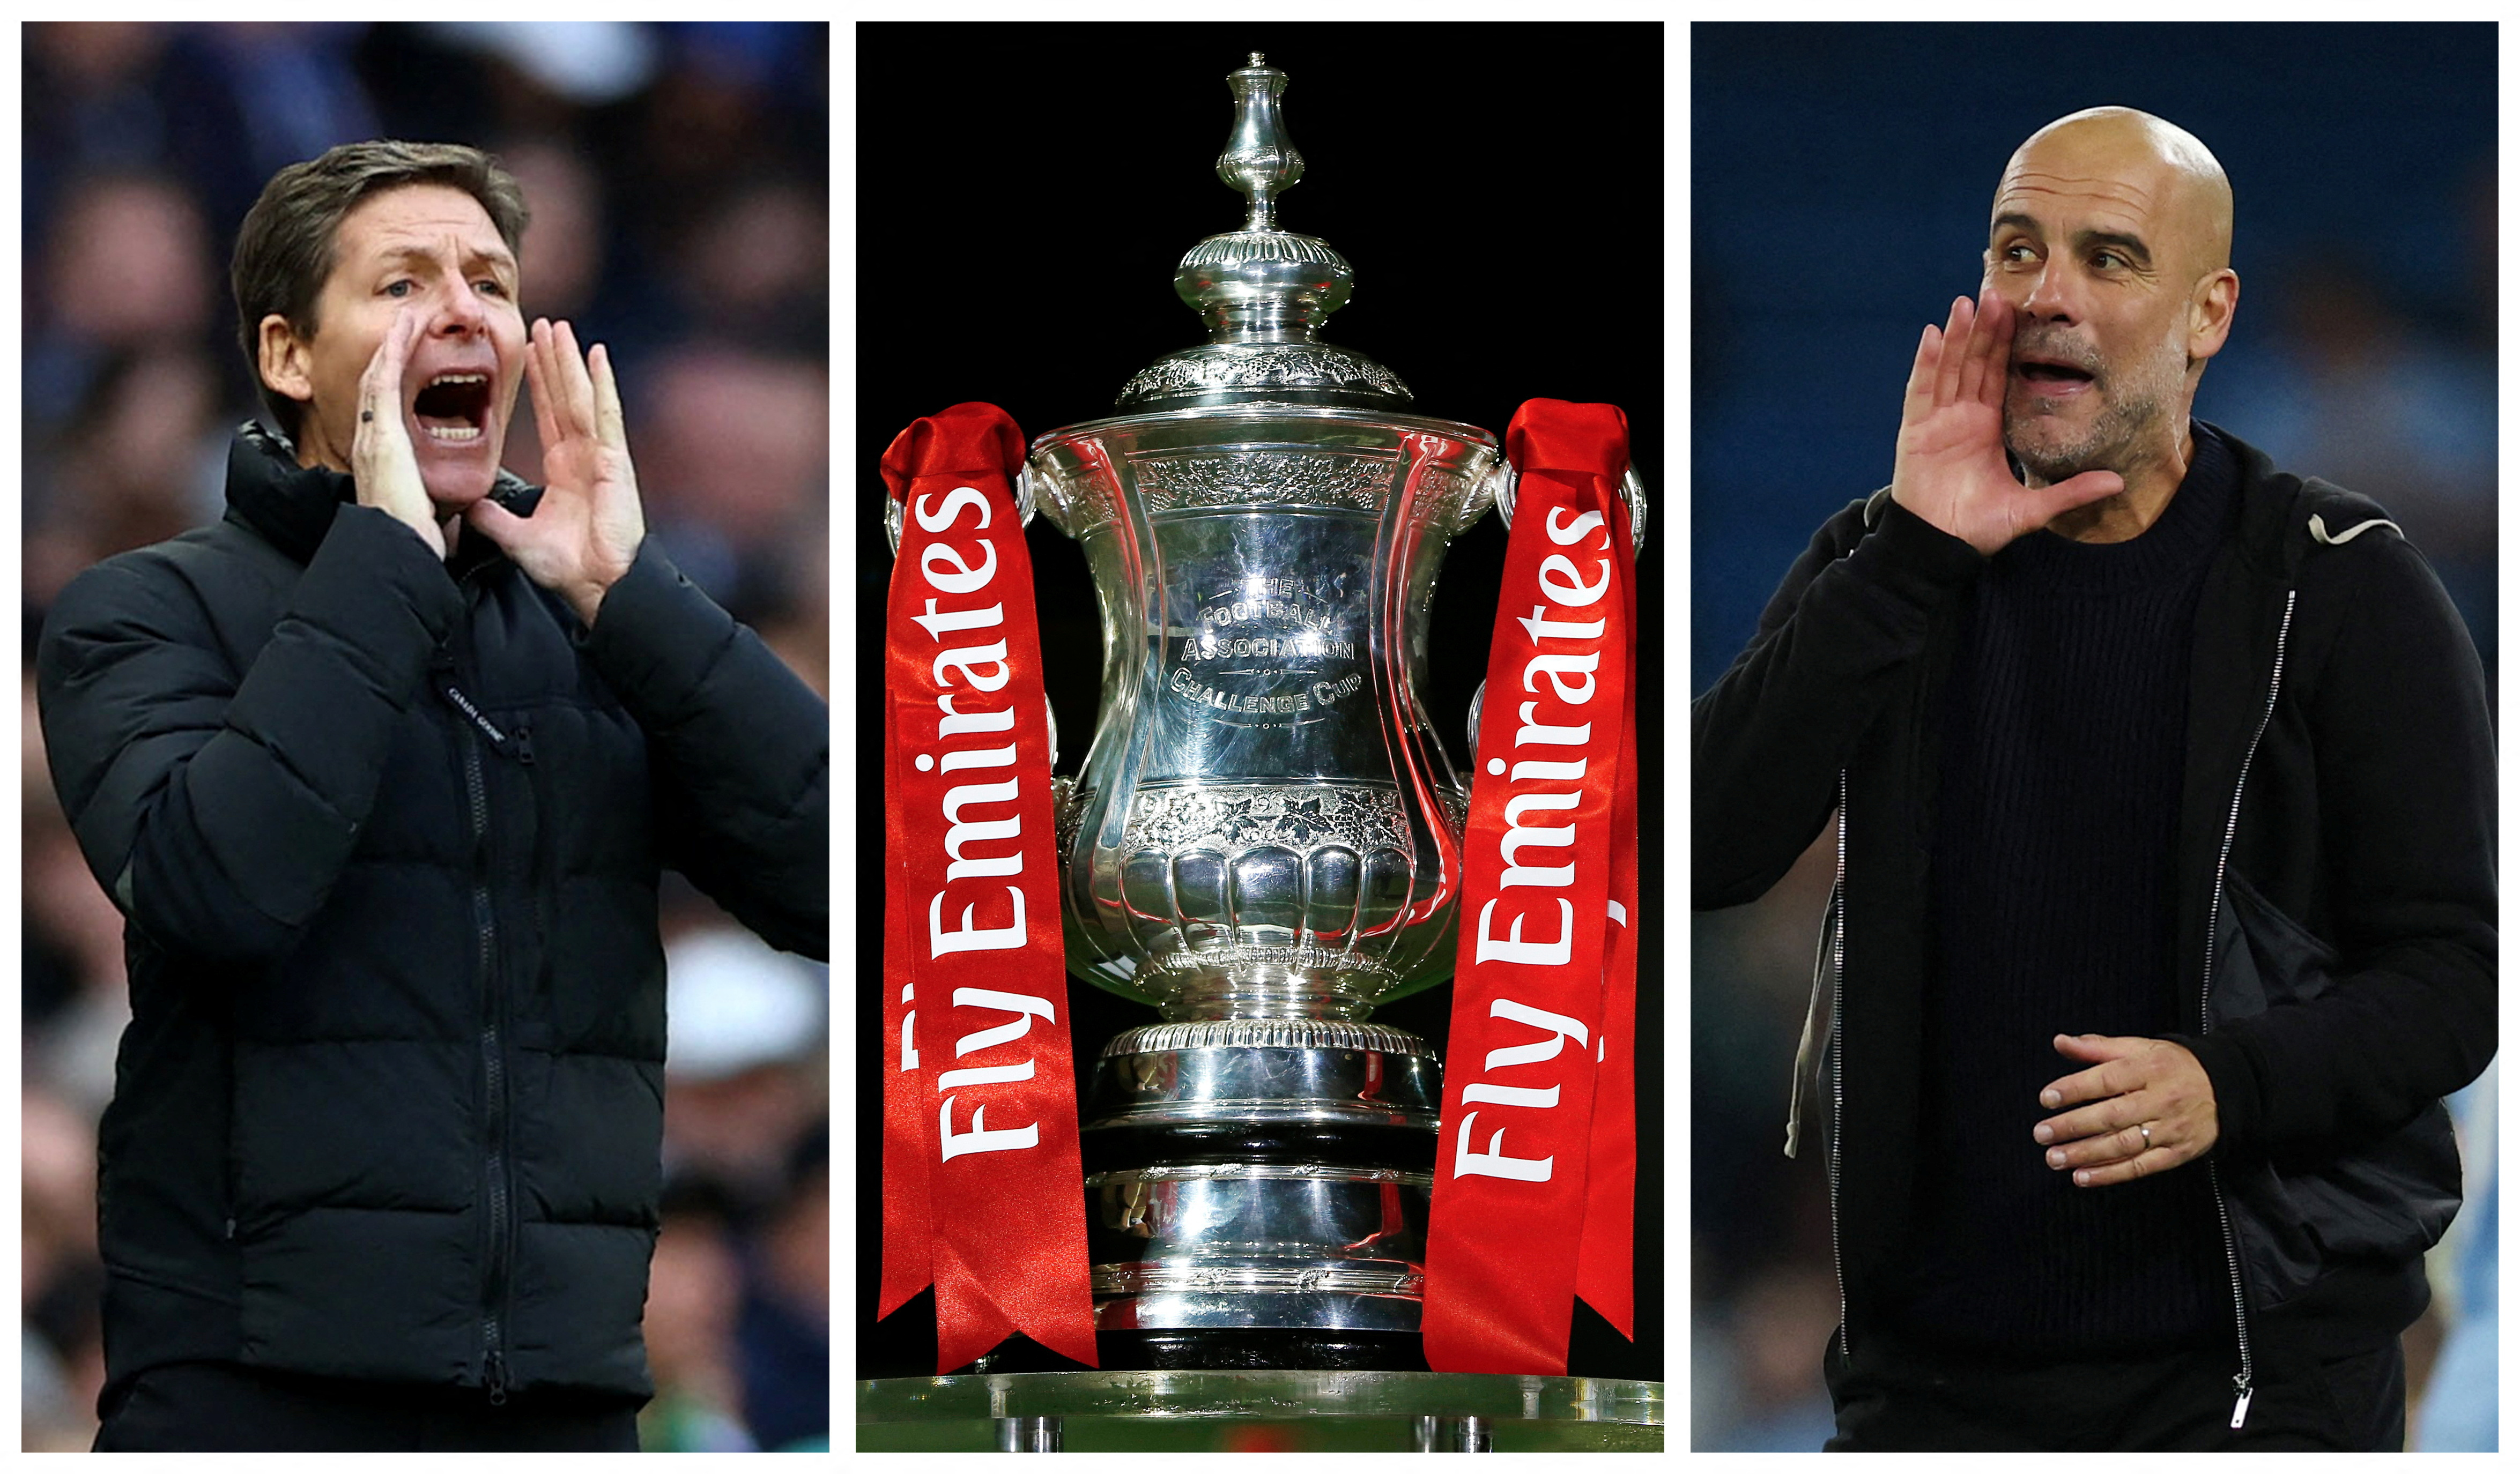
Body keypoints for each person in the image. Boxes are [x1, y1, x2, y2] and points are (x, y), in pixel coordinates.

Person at [1692, 108, 2494, 1450]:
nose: (2047, 294)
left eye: (2109, 257)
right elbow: (1706, 845)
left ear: (2207, 314)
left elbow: (2449, 981)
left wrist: (2229, 1081)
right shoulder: (1885, 567)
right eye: (2017, 251)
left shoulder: (2345, 588)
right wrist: (1908, 556)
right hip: (1922, 1391)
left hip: (2253, 1389)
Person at [35, 139, 829, 1452]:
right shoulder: (145, 610)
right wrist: (387, 560)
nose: (463, 310)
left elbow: (840, 883)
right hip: (253, 1390)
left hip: (566, 1395)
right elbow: (216, 888)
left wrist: (634, 599)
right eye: (401, 283)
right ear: (291, 358)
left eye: (489, 281)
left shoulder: (599, 621)